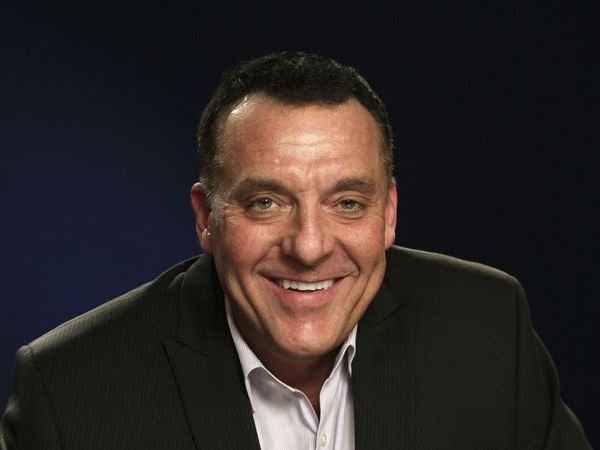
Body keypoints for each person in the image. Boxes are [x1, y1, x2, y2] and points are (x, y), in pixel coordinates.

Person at [0, 52, 591, 450]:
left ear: (389, 213)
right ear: (206, 218)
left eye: (348, 203)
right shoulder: (71, 392)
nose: (309, 247)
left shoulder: (487, 326)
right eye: (265, 203)